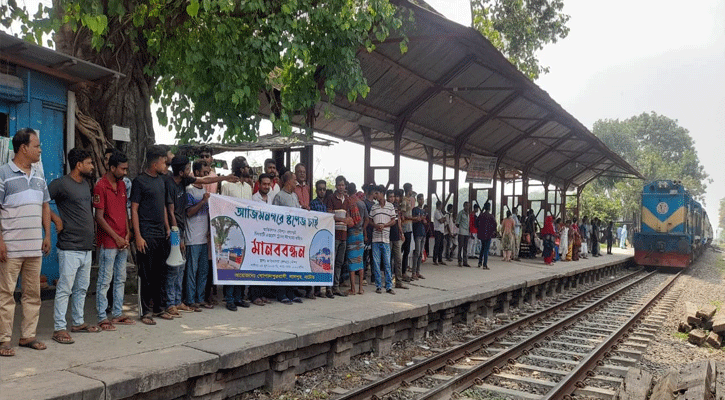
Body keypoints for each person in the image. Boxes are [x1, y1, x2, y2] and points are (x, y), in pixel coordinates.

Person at [0, 128, 51, 356]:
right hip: (10, 248)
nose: (40, 150)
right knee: (6, 294)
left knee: (33, 294)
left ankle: (28, 336)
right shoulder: (3, 174)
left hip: (34, 247)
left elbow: (45, 205)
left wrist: (47, 235)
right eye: (37, 146)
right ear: (23, 148)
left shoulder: (40, 175)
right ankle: (3, 340)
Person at [166, 155, 237, 316]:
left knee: (196, 270)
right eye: (188, 169)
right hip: (182, 234)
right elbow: (175, 211)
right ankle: (177, 301)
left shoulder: (184, 183)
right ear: (182, 171)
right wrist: (178, 235)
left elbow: (205, 181)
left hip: (197, 236)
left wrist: (226, 177)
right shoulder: (176, 186)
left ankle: (188, 300)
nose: (190, 172)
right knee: (180, 270)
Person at [49, 148, 100, 344]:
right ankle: (59, 328)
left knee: (81, 288)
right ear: (79, 165)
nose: (92, 167)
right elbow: (41, 202)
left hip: (86, 247)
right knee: (65, 288)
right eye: (89, 163)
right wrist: (56, 220)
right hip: (69, 246)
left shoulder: (86, 185)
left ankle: (78, 322)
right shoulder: (61, 184)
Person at [131, 145, 173, 325]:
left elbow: (163, 206)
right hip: (146, 234)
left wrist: (167, 227)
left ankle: (159, 307)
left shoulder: (162, 181)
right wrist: (138, 236)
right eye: (164, 162)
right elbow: (134, 209)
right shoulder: (140, 182)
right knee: (146, 274)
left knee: (160, 273)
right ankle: (145, 311)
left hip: (160, 233)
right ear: (155, 164)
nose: (166, 166)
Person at [94, 151, 134, 331]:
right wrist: (117, 237)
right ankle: (102, 316)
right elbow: (99, 218)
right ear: (112, 167)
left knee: (120, 279)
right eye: (122, 168)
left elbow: (125, 211)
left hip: (121, 240)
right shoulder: (100, 186)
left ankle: (117, 313)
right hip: (109, 241)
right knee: (105, 279)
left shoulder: (123, 186)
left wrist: (127, 233)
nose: (125, 172)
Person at [220, 156, 253, 310]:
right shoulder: (226, 185)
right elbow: (222, 207)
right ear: (241, 168)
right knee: (231, 263)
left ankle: (240, 297)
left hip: (245, 229)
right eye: (246, 166)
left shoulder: (248, 187)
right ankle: (230, 298)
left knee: (242, 263)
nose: (248, 168)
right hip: (231, 229)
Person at [271, 171, 304, 304]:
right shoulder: (279, 196)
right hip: (283, 237)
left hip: (294, 237)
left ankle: (291, 292)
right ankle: (281, 293)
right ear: (287, 181)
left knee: (292, 266)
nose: (296, 182)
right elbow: (274, 216)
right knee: (282, 266)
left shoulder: (295, 196)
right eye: (294, 179)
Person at [185, 160, 214, 312]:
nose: (205, 175)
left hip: (203, 238)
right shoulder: (189, 190)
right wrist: (203, 201)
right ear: (196, 173)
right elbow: (189, 212)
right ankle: (190, 299)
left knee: (203, 270)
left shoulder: (205, 191)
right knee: (192, 270)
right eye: (203, 173)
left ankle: (200, 298)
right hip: (192, 238)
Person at [324, 176, 359, 297]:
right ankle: (328, 287)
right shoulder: (331, 198)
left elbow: (348, 215)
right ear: (336, 186)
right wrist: (343, 219)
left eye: (343, 185)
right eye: (339, 185)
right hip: (333, 233)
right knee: (331, 262)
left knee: (339, 262)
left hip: (344, 234)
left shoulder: (347, 200)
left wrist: (348, 220)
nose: (341, 187)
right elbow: (328, 215)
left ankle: (336, 287)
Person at [369, 185, 396, 294]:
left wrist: (384, 225)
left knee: (387, 263)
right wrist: (376, 226)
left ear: (382, 194)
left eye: (377, 193)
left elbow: (394, 220)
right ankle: (378, 286)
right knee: (376, 263)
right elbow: (370, 221)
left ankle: (388, 286)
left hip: (385, 239)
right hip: (375, 239)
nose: (375, 195)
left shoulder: (390, 206)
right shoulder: (374, 207)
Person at [347, 182, 367, 295]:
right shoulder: (362, 203)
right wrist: (363, 229)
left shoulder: (348, 202)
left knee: (351, 261)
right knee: (360, 261)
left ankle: (353, 289)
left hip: (351, 234)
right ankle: (360, 289)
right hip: (360, 234)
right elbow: (367, 219)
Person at [388, 190, 408, 290]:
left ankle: (398, 281)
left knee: (398, 259)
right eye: (390, 196)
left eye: (394, 196)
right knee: (388, 260)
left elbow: (399, 221)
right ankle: (389, 281)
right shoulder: (386, 207)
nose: (393, 198)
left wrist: (401, 233)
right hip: (387, 235)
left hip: (396, 235)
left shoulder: (396, 207)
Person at [476, 202, 497, 269]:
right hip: (488, 234)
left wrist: (479, 229)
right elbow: (495, 225)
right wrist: (492, 231)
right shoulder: (491, 216)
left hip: (482, 234)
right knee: (486, 249)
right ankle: (485, 264)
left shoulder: (481, 215)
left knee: (482, 248)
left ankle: (479, 262)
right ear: (489, 208)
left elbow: (476, 223)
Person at [400, 183, 414, 281]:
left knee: (406, 251)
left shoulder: (408, 200)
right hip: (405, 227)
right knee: (404, 251)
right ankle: (402, 272)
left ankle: (403, 271)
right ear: (408, 190)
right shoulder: (405, 201)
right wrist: (414, 218)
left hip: (409, 227)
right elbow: (403, 215)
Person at [411, 194, 426, 280]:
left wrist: (424, 221)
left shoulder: (423, 210)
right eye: (420, 199)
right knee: (416, 253)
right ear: (418, 200)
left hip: (422, 232)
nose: (422, 201)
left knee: (420, 253)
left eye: (422, 199)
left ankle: (418, 271)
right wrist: (417, 219)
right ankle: (413, 272)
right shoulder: (415, 210)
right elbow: (412, 219)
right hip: (417, 232)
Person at [456, 201, 471, 267]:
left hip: (467, 232)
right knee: (460, 247)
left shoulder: (468, 214)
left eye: (468, 206)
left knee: (465, 247)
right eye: (466, 206)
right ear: (464, 206)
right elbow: (457, 223)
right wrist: (461, 227)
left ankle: (465, 261)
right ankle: (459, 261)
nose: (467, 207)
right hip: (462, 232)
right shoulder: (461, 213)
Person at [432, 200, 446, 265]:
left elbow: (443, 219)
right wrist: (443, 219)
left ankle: (440, 259)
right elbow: (441, 220)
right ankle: (435, 259)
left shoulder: (440, 212)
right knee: (437, 245)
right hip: (437, 230)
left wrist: (443, 219)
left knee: (441, 245)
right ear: (439, 205)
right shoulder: (436, 212)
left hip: (441, 230)